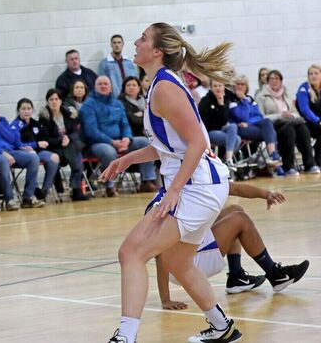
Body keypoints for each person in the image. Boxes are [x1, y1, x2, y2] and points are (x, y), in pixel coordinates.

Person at [101, 23, 240, 343]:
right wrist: (126, 160)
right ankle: (222, 327)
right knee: (177, 261)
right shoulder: (159, 85)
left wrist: (174, 189)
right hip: (203, 183)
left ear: (157, 51)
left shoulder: (165, 88)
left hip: (197, 186)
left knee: (131, 253)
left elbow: (196, 142)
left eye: (143, 38)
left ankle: (126, 337)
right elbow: (169, 145)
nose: (136, 42)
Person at [155, 183, 310, 310]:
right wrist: (165, 299)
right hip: (183, 265)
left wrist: (266, 194)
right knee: (239, 220)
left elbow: (233, 188)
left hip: (187, 253)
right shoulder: (170, 198)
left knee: (235, 210)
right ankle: (276, 274)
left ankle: (236, 277)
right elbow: (160, 252)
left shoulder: (190, 177)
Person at [81, 76, 158, 197]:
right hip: (98, 144)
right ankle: (110, 187)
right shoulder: (88, 106)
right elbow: (92, 131)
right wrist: (112, 142)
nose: (103, 86)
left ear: (110, 87)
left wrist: (127, 138)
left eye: (106, 84)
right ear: (95, 87)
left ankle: (147, 181)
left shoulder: (117, 103)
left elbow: (125, 124)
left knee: (145, 142)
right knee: (109, 152)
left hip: (121, 142)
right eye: (100, 84)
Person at [0, 91, 44, 209]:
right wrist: (3, 153)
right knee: (2, 161)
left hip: (10, 151)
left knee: (34, 158)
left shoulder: (1, 120)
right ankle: (9, 199)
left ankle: (28, 197)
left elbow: (12, 138)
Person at [256, 69, 320, 175]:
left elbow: (296, 113)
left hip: (291, 121)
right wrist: (280, 116)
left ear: (281, 81)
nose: (275, 81)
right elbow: (261, 116)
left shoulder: (286, 95)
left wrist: (291, 115)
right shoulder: (261, 96)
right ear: (267, 81)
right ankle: (289, 166)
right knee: (289, 131)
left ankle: (310, 164)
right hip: (274, 126)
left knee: (303, 129)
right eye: (272, 78)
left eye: (277, 78)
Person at [38, 89, 87, 201]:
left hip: (69, 146)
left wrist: (68, 138)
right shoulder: (44, 118)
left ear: (60, 101)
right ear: (47, 102)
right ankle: (76, 189)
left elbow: (76, 132)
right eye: (51, 99)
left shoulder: (69, 114)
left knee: (76, 151)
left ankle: (76, 189)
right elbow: (45, 139)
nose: (54, 102)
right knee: (75, 154)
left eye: (56, 99)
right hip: (54, 148)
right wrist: (61, 140)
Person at [228, 75, 282, 170]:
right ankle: (273, 157)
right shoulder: (231, 99)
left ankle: (272, 155)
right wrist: (244, 101)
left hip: (249, 126)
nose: (240, 86)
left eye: (243, 84)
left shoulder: (250, 99)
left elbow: (258, 116)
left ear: (246, 87)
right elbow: (242, 116)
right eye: (238, 84)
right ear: (233, 86)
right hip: (239, 128)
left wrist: (249, 123)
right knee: (270, 132)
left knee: (267, 121)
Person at [12, 98, 60, 199]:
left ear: (32, 110)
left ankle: (45, 190)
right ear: (18, 111)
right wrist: (36, 144)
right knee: (33, 155)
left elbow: (44, 140)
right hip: (23, 153)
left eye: (29, 109)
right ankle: (34, 188)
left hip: (38, 152)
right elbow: (18, 145)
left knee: (54, 158)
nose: (26, 111)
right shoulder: (15, 126)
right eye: (23, 109)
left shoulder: (36, 124)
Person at [198, 80, 242, 173]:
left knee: (234, 128)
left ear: (223, 87)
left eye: (220, 85)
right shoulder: (205, 100)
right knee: (235, 139)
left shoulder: (224, 99)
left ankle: (227, 160)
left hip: (221, 129)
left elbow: (224, 121)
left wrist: (221, 104)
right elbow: (202, 121)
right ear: (211, 88)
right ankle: (227, 162)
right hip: (209, 131)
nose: (218, 88)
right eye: (215, 86)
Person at [296, 64, 321, 168]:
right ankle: (318, 160)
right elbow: (304, 109)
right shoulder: (304, 88)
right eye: (311, 74)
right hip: (308, 122)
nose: (313, 76)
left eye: (316, 73)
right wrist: (317, 120)